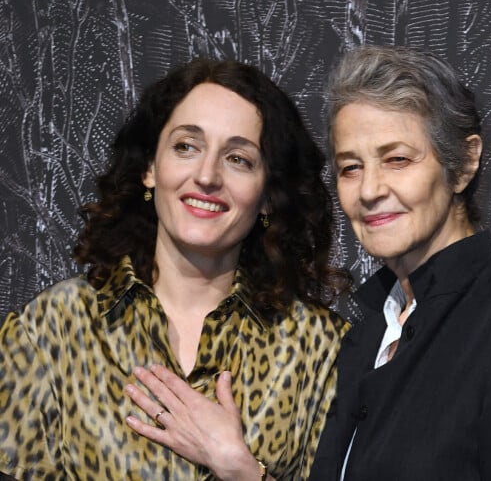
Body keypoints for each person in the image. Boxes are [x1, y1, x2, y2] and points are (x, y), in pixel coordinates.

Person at [0, 58, 350, 480]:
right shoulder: (48, 329)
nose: (206, 175)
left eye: (238, 159)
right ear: (150, 168)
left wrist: (241, 469)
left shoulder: (322, 349)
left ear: (269, 196)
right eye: (186, 146)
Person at [309, 45, 491, 480]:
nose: (369, 190)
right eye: (350, 167)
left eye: (397, 159)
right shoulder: (369, 335)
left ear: (464, 163)